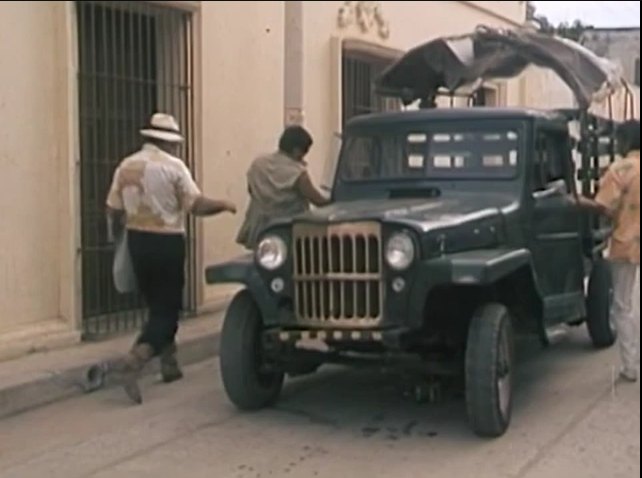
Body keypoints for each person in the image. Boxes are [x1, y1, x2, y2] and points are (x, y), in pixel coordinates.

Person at [106, 113, 236, 404]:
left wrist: (118, 239)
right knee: (168, 310)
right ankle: (135, 360)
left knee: (155, 303)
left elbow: (113, 209)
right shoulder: (173, 167)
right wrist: (224, 205)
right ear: (169, 143)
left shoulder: (126, 165)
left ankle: (170, 364)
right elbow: (196, 205)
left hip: (137, 240)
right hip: (167, 242)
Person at [575, 119, 640, 382]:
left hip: (627, 242)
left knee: (623, 306)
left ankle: (631, 366)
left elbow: (604, 205)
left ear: (626, 141)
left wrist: (577, 201)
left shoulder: (620, 170)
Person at [236, 125, 330, 249]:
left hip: (259, 229)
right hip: (286, 231)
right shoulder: (297, 173)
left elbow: (251, 190)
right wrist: (335, 202)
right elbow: (317, 200)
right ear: (297, 150)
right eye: (305, 151)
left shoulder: (258, 164)